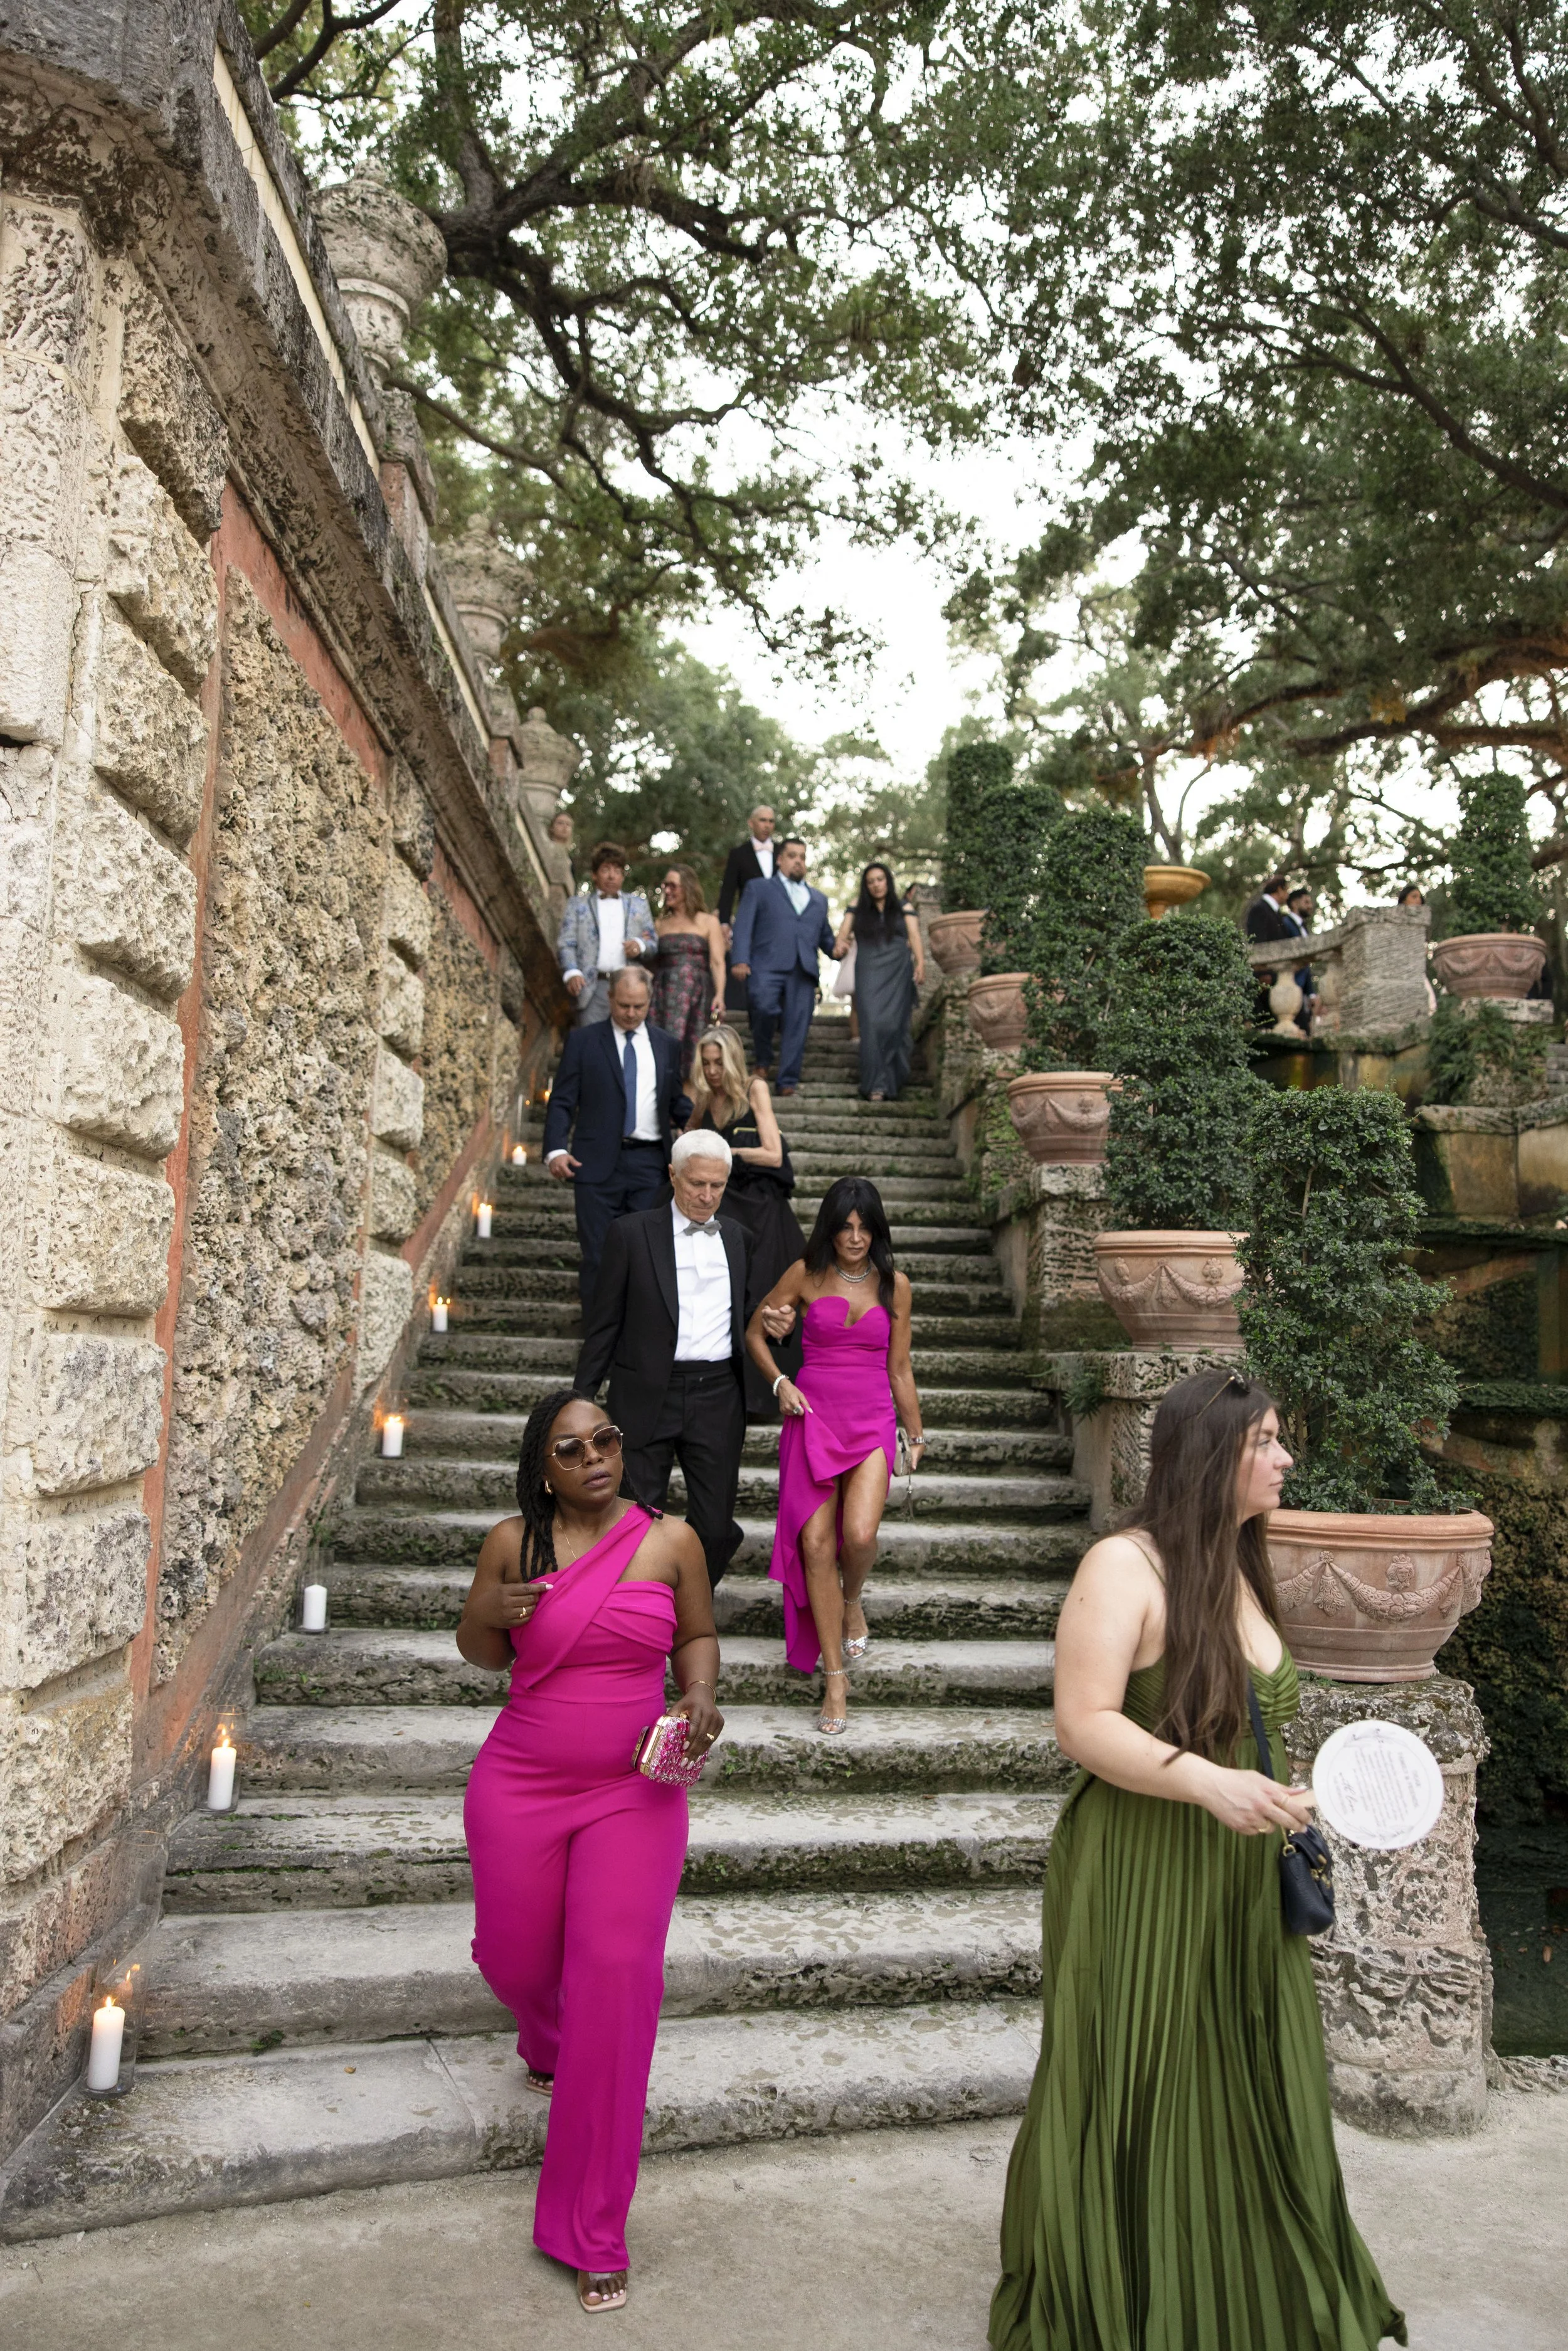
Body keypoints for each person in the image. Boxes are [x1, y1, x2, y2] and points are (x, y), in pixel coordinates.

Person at [989, 1369, 1406, 2351]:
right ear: (1212, 1456)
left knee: (1249, 2076)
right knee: (1143, 2078)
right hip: (1139, 1868)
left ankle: (1250, 2295)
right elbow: (1082, 1724)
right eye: (1266, 1442)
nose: (1285, 1459)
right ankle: (1128, 2303)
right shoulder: (1122, 1567)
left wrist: (1294, 1792)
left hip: (1239, 1878)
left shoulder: (1239, 1562)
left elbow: (1251, 1723)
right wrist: (1208, 1784)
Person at [460, 1389, 723, 2315]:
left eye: (606, 1438)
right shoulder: (511, 1543)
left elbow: (696, 1637)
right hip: (522, 1779)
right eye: (571, 1449)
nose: (596, 1456)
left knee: (615, 1979)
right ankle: (543, 2035)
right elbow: (484, 1653)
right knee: (515, 1957)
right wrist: (487, 1608)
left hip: (634, 1790)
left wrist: (696, 1695)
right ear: (544, 1470)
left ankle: (591, 2226)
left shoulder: (672, 1541)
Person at [744, 1176, 925, 1734]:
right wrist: (780, 1383)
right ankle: (835, 1678)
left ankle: (853, 1599)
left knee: (859, 1537)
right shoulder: (806, 1273)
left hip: (871, 1418)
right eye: (845, 1226)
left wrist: (914, 1435)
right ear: (830, 1226)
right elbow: (756, 1333)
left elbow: (899, 1367)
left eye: (864, 1226)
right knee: (817, 1545)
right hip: (814, 1416)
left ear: (877, 1229)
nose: (855, 1237)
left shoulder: (896, 1285)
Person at [575, 1131, 755, 1586]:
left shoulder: (738, 1238)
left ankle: (689, 1607)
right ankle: (643, 1617)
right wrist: (579, 1401)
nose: (707, 1195)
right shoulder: (630, 1234)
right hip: (644, 1393)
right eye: (697, 1183)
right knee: (635, 1521)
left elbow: (752, 1312)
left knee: (715, 1526)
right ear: (672, 1175)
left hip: (718, 1395)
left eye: (717, 1185)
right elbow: (604, 1324)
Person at [543, 965, 689, 1311]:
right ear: (610, 999)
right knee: (597, 1256)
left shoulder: (667, 1046)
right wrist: (555, 1150)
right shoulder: (583, 1041)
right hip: (594, 1166)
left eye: (639, 1006)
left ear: (650, 1002)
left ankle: (634, 1339)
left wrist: (707, 1121)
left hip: (650, 1166)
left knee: (645, 1258)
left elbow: (675, 1102)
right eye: (624, 1005)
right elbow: (563, 1100)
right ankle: (598, 1341)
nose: (631, 1013)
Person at [687, 1022, 806, 1416]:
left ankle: (767, 1394)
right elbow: (686, 1146)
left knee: (763, 1294)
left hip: (759, 1207)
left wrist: (728, 1154)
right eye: (706, 1064)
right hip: (721, 1207)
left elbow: (773, 1154)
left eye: (719, 1062)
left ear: (733, 1060)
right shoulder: (704, 1099)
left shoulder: (754, 1088)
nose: (713, 1071)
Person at [729, 837, 840, 1095]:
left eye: (802, 857)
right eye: (792, 856)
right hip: (766, 964)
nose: (798, 861)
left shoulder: (819, 899)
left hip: (804, 969)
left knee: (798, 1025)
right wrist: (740, 959)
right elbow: (744, 926)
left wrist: (838, 950)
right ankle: (764, 1059)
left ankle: (787, 1080)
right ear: (780, 859)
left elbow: (827, 939)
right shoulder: (759, 888)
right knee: (763, 1006)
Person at [832, 860, 925, 1100]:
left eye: (880, 880)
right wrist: (841, 944)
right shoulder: (857, 906)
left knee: (895, 1027)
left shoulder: (903, 906)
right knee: (872, 1026)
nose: (876, 885)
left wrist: (921, 964)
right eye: (871, 881)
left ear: (888, 881)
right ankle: (876, 1085)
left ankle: (893, 1081)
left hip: (898, 970)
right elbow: (842, 935)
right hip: (869, 972)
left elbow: (914, 936)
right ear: (866, 886)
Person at [556, 841, 655, 1026]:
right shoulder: (578, 905)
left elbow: (653, 943)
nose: (612, 876)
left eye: (617, 871)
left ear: (623, 876)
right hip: (592, 987)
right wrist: (572, 972)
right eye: (606, 870)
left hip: (628, 985)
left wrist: (640, 945)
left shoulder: (639, 905)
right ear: (595, 874)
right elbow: (566, 943)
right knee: (592, 1046)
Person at [650, 864, 726, 1080]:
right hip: (663, 997)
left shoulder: (708, 922)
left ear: (688, 888)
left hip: (698, 996)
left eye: (673, 886)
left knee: (693, 1057)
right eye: (665, 886)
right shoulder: (659, 925)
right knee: (663, 1054)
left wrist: (720, 995)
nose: (667, 891)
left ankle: (690, 1109)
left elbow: (717, 962)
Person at [717, 804, 778, 1012]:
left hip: (779, 922)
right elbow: (728, 891)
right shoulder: (739, 854)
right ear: (751, 823)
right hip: (750, 921)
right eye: (763, 820)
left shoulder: (783, 852)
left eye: (771, 821)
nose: (767, 825)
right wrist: (724, 922)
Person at [1282, 884, 1316, 1023]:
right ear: (1295, 904)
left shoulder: (1304, 929)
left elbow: (1306, 964)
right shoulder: (1285, 924)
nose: (1310, 906)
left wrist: (1311, 993)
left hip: (1302, 990)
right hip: (1288, 988)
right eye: (1306, 902)